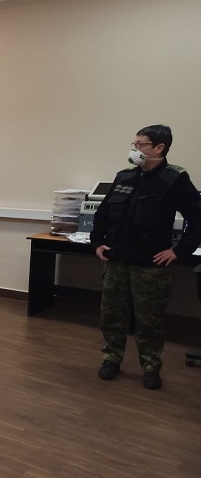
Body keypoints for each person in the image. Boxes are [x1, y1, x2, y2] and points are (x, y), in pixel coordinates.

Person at [90, 124, 201, 390]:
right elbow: (102, 213)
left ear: (159, 148)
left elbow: (197, 218)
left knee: (149, 320)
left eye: (141, 145)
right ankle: (111, 358)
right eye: (134, 144)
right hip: (116, 261)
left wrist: (179, 251)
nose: (135, 149)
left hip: (149, 266)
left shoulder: (174, 180)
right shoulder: (124, 177)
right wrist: (97, 242)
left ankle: (151, 366)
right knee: (112, 315)